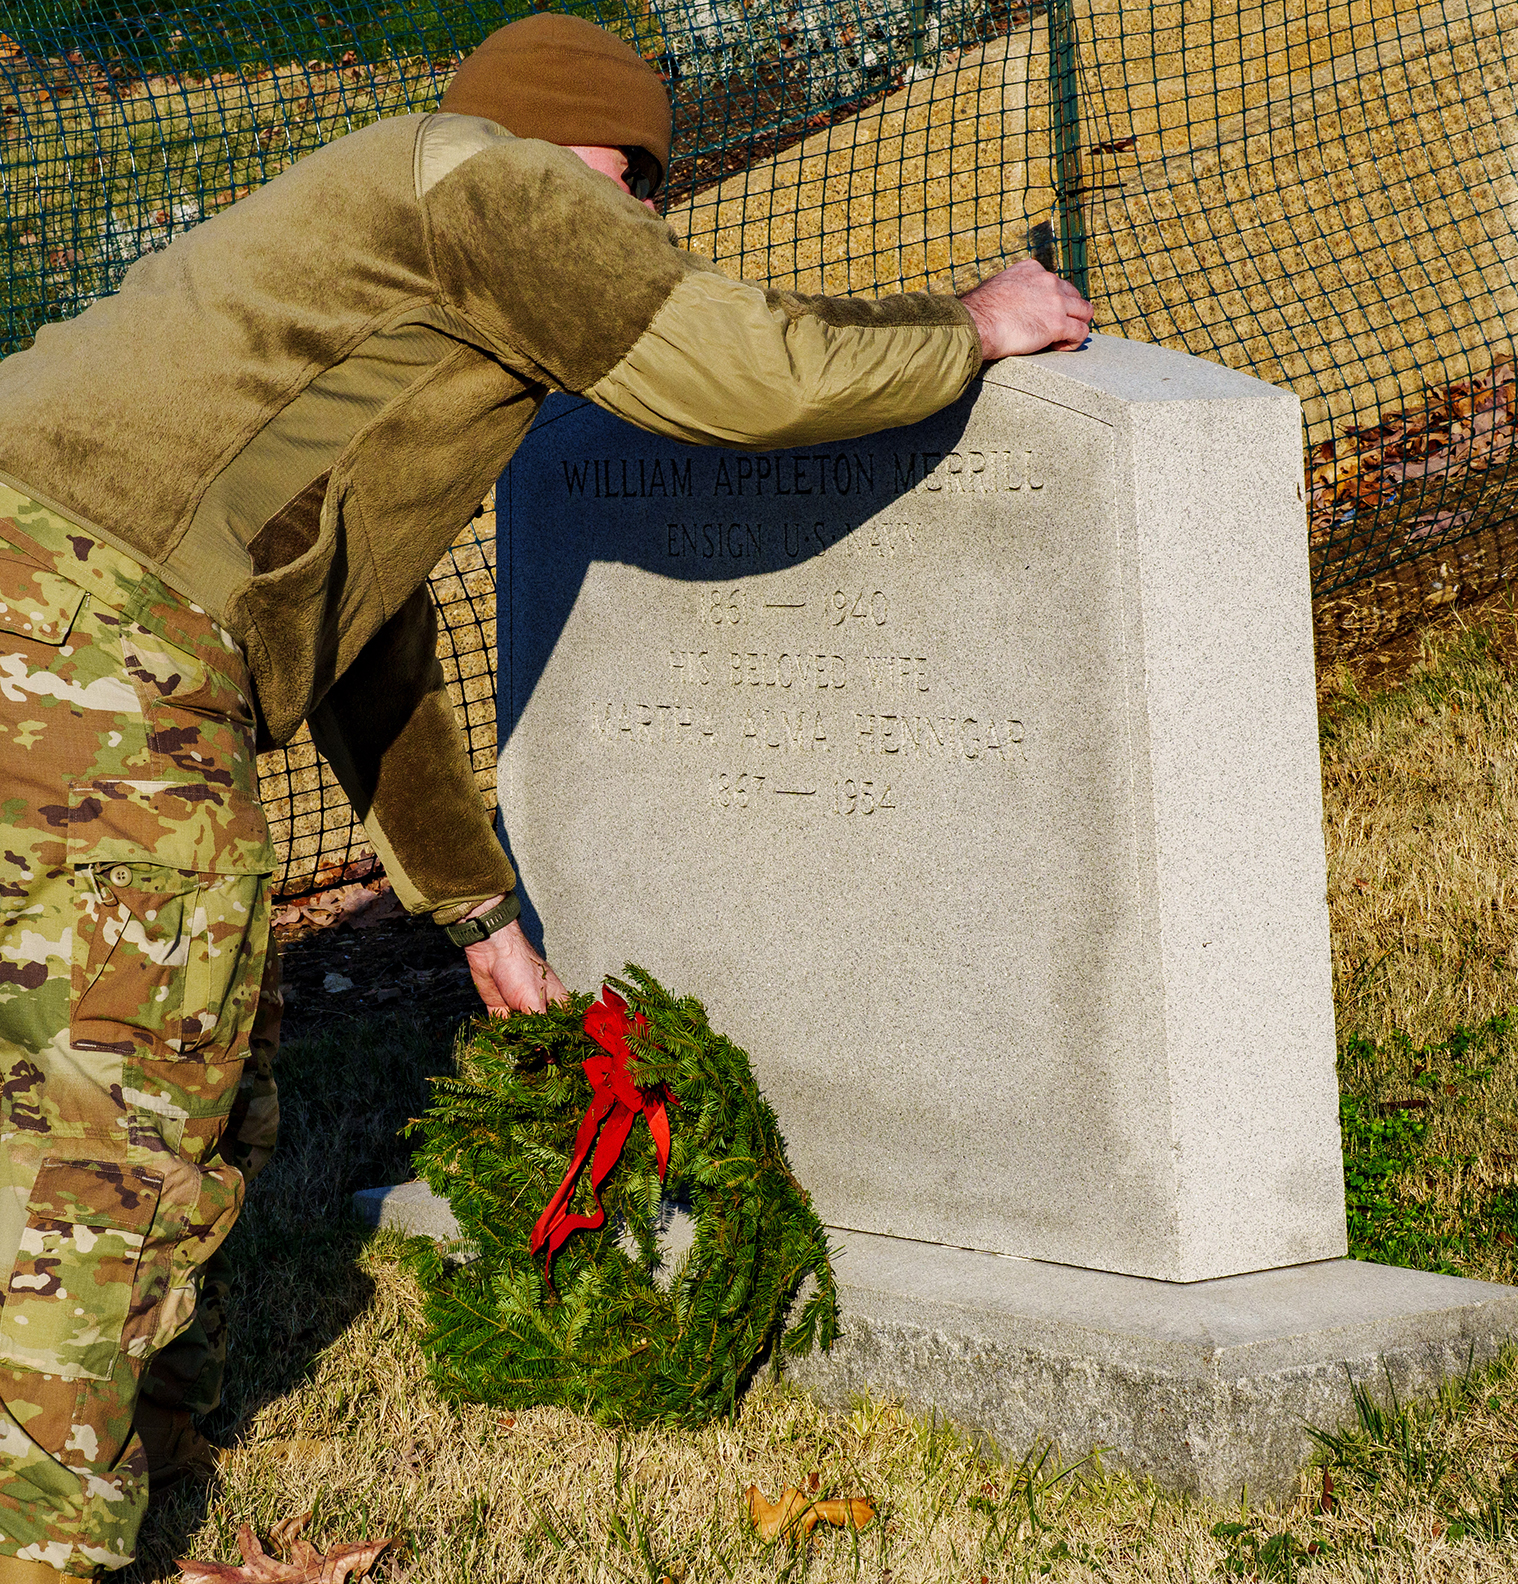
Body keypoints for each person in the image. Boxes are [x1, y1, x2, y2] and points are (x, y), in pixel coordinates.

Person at [0, 12, 1091, 1578]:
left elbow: (364, 635)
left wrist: (478, 919)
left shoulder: (387, 245)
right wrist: (968, 326)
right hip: (88, 663)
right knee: (104, 1151)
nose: (647, 227)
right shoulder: (496, 187)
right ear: (604, 161)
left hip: (57, 629)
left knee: (161, 1085)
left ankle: (156, 1494)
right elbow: (754, 373)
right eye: (644, 190)